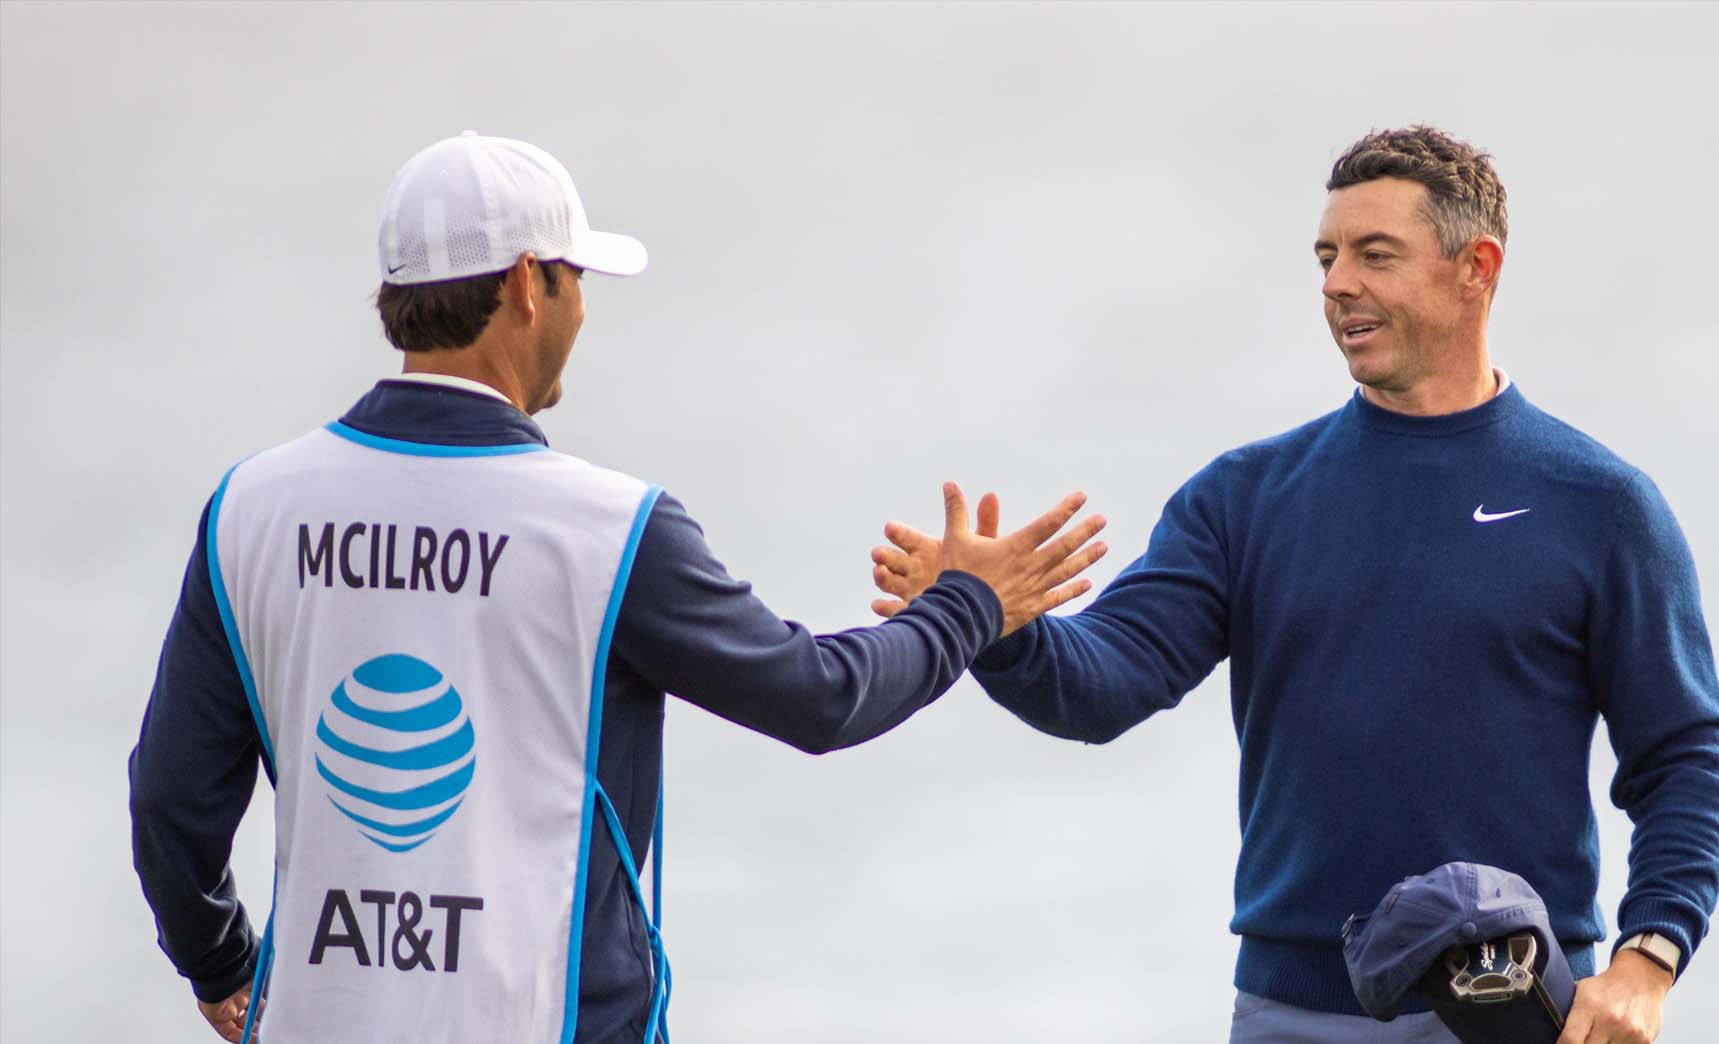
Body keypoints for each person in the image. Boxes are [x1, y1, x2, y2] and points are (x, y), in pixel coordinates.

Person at [128, 131, 1108, 1044]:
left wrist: (219, 961)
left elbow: (172, 803)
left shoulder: (250, 510)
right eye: (576, 278)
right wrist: (969, 607)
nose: (583, 309)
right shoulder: (605, 529)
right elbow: (818, 698)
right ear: (525, 285)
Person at [870, 125, 1719, 1044]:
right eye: (1327, 257)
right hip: (1290, 1014)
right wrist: (994, 620)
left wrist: (1647, 962)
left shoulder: (1599, 504)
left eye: (1375, 255)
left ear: (1475, 267)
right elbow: (1104, 684)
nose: (1336, 285)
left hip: (1511, 1010)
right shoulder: (1247, 497)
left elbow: (1686, 763)